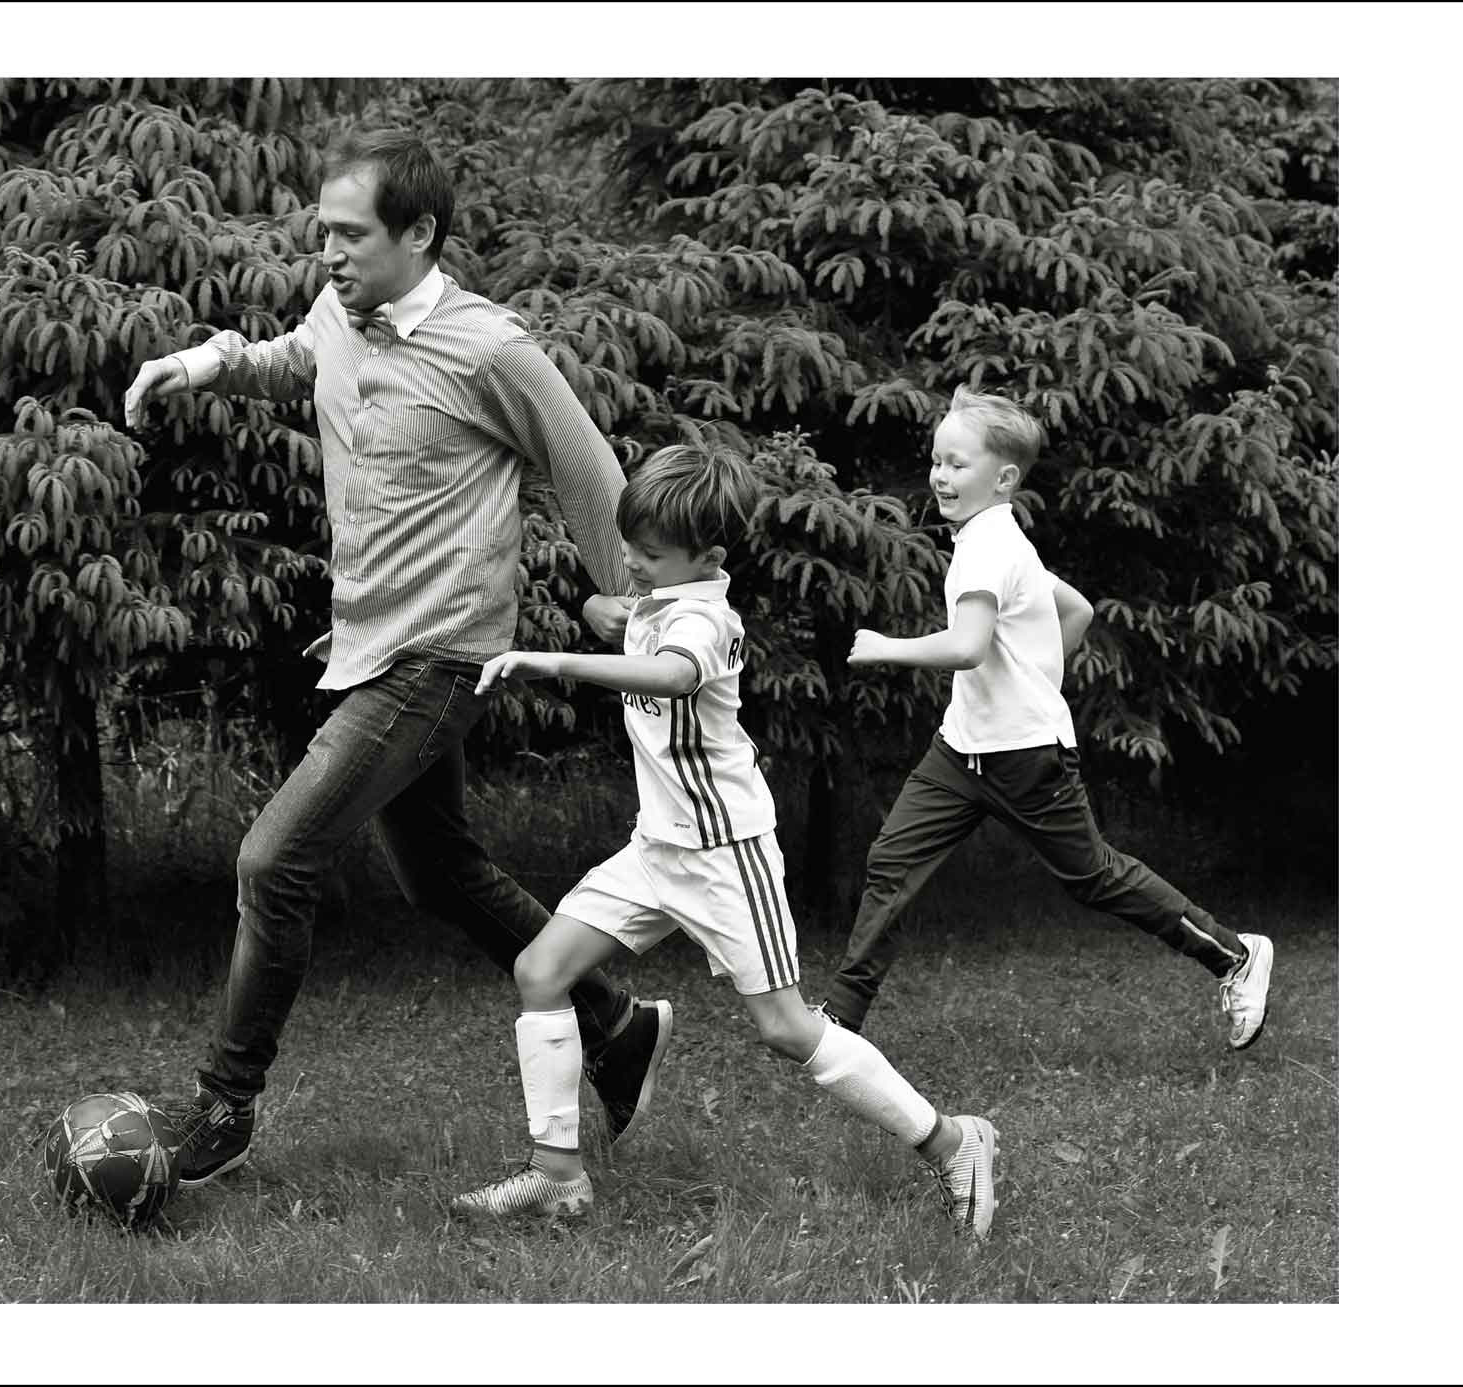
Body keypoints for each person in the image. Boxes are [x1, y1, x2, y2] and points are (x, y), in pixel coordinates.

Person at [121, 127, 671, 1188]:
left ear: (419, 234)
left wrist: (636, 607)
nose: (327, 251)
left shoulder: (490, 348)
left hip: (444, 651)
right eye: (321, 231)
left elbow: (588, 470)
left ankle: (223, 1109)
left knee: (273, 862)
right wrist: (203, 363)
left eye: (349, 233)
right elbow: (295, 358)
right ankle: (616, 1023)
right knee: (442, 872)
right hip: (370, 642)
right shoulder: (342, 311)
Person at [450, 444, 1000, 1238]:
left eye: (649, 554)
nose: (632, 565)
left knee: (785, 1029)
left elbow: (673, 674)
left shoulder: (707, 619)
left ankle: (954, 1141)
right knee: (540, 968)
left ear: (706, 559)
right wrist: (607, 612)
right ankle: (556, 1176)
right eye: (630, 548)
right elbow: (622, 613)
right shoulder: (662, 596)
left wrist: (554, 659)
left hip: (723, 854)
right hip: (654, 850)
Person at [829, 385, 1275, 1047]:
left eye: (955, 463)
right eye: (936, 460)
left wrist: (885, 647)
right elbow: (1077, 612)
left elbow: (966, 645)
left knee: (1093, 876)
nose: (938, 475)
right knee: (892, 862)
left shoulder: (985, 548)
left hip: (1023, 754)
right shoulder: (999, 537)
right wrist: (1032, 676)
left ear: (1003, 477)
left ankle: (1235, 953)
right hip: (961, 750)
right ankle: (840, 1019)